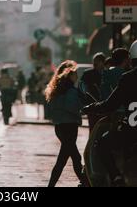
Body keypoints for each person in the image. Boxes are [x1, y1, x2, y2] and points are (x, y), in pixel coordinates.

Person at [83, 41, 137, 187]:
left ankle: (116, 177)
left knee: (101, 144)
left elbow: (109, 104)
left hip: (131, 132)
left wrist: (92, 107)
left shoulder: (127, 78)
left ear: (132, 59)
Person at [45, 60, 84, 187]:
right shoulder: (71, 91)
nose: (77, 76)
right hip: (70, 126)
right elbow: (72, 107)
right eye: (75, 74)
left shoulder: (57, 89)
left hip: (60, 127)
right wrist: (82, 108)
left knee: (70, 157)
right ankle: (86, 182)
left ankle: (85, 182)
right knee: (71, 158)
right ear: (69, 74)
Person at [79, 52, 106, 132]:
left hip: (104, 105)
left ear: (102, 62)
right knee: (93, 128)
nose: (94, 63)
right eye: (94, 61)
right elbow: (82, 88)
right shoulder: (88, 73)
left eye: (97, 61)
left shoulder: (107, 73)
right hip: (93, 106)